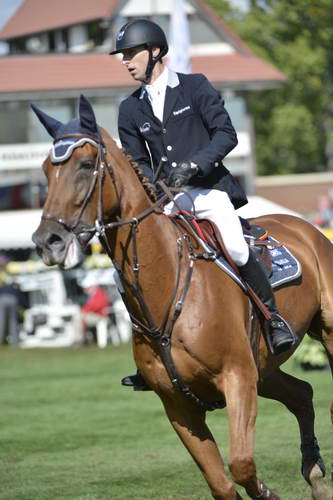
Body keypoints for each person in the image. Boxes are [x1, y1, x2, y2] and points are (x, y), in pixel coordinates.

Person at [110, 19, 295, 389]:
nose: (125, 61)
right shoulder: (129, 110)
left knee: (238, 248)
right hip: (168, 200)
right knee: (124, 271)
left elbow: (225, 134)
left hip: (208, 192)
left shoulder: (195, 87)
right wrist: (157, 188)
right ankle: (150, 352)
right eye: (123, 56)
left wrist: (194, 165)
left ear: (156, 52)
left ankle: (273, 321)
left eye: (131, 54)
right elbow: (135, 163)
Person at [80, 276, 111, 345]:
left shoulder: (99, 293)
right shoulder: (92, 294)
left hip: (100, 316)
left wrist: (84, 311)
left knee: (79, 318)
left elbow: (97, 306)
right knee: (79, 317)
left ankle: (79, 340)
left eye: (85, 287)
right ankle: (81, 339)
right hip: (96, 315)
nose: (84, 289)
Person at [0, 277, 27, 345]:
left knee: (1, 322)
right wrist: (27, 307)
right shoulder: (16, 289)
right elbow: (22, 300)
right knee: (13, 322)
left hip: (2, 300)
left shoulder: (3, 287)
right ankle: (15, 343)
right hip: (13, 300)